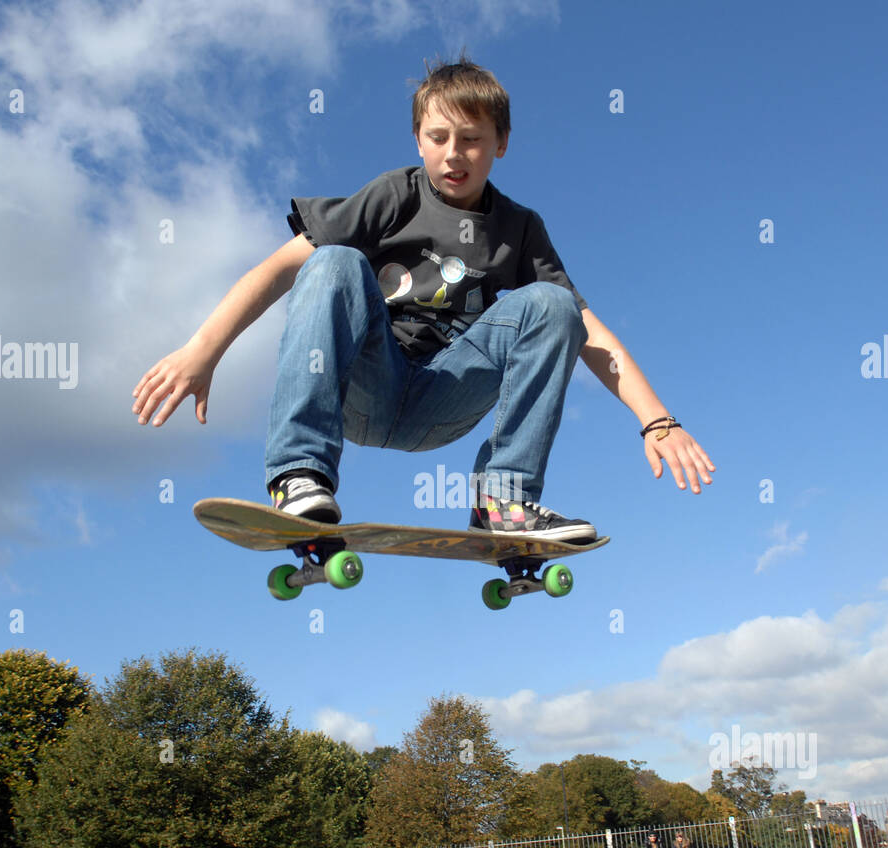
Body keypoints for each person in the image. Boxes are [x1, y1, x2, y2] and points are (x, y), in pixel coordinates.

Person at [131, 52, 715, 536]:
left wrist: (657, 421)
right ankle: (299, 473)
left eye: (471, 140)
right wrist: (204, 349)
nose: (453, 153)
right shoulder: (393, 196)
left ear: (501, 143)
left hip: (444, 397)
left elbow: (590, 334)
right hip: (367, 382)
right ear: (418, 139)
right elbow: (278, 269)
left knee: (556, 306)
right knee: (332, 260)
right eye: (438, 138)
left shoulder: (520, 227)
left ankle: (502, 502)